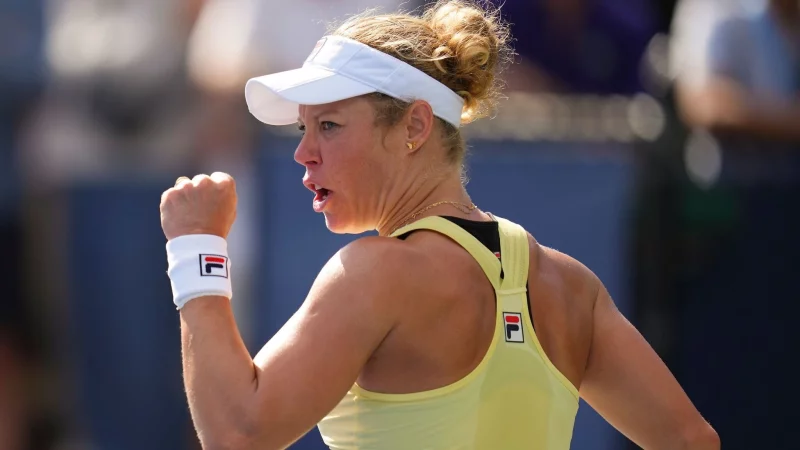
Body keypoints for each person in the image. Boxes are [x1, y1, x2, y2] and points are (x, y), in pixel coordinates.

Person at [159, 1, 720, 448]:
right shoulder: (571, 286)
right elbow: (691, 441)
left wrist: (196, 247)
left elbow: (238, 434)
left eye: (329, 126)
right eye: (303, 129)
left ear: (415, 126)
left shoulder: (373, 275)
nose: (303, 153)